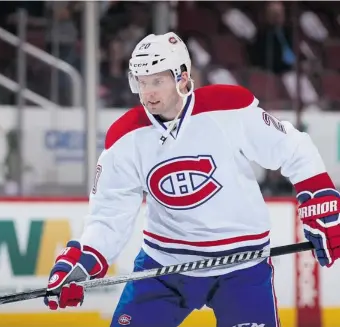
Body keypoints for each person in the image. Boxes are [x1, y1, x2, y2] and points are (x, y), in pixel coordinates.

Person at [43, 32, 340, 326]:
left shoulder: (228, 109)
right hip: (164, 268)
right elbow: (109, 216)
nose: (148, 93)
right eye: (142, 82)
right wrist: (85, 259)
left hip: (243, 266)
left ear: (182, 78)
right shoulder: (125, 138)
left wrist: (319, 197)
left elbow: (294, 147)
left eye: (157, 81)